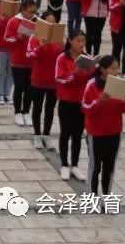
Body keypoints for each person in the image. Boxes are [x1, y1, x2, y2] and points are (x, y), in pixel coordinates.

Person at [82, 55, 125, 195]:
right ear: (103, 69)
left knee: (109, 168)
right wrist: (100, 101)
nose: (116, 71)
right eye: (113, 68)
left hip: (114, 132)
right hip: (96, 134)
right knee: (95, 168)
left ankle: (107, 196)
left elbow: (124, 109)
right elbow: (86, 108)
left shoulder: (120, 84)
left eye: (117, 68)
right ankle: (93, 196)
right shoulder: (92, 84)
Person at [55, 30, 93, 181]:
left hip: (81, 102)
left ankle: (75, 165)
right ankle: (64, 164)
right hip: (66, 101)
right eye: (78, 40)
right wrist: (75, 72)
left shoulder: (87, 58)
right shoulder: (62, 58)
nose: (81, 44)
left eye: (83, 41)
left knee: (77, 135)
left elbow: (92, 79)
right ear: (70, 41)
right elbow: (60, 79)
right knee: (65, 133)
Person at [26, 10, 62, 149]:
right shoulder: (35, 38)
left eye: (53, 22)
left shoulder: (58, 39)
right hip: (38, 79)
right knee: (37, 107)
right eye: (48, 22)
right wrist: (41, 45)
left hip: (53, 80)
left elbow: (64, 56)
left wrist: (64, 45)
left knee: (50, 109)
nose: (51, 24)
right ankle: (36, 135)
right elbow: (31, 56)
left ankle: (46, 134)